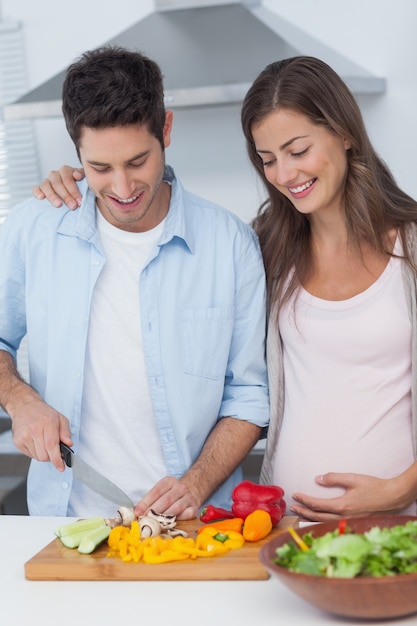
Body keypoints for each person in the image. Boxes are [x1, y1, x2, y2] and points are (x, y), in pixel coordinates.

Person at [38, 55, 417, 522]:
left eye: (298, 151)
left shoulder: (410, 249)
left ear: (344, 132)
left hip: (400, 522)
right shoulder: (266, 249)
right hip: (281, 524)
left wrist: (399, 490)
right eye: (267, 159)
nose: (284, 175)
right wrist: (77, 181)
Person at [0, 45, 269, 519]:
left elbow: (248, 396)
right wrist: (20, 401)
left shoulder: (231, 244)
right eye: (100, 168)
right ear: (77, 150)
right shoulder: (32, 229)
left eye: (138, 161)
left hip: (199, 526)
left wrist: (195, 485)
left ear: (165, 129)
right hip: (66, 526)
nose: (122, 189)